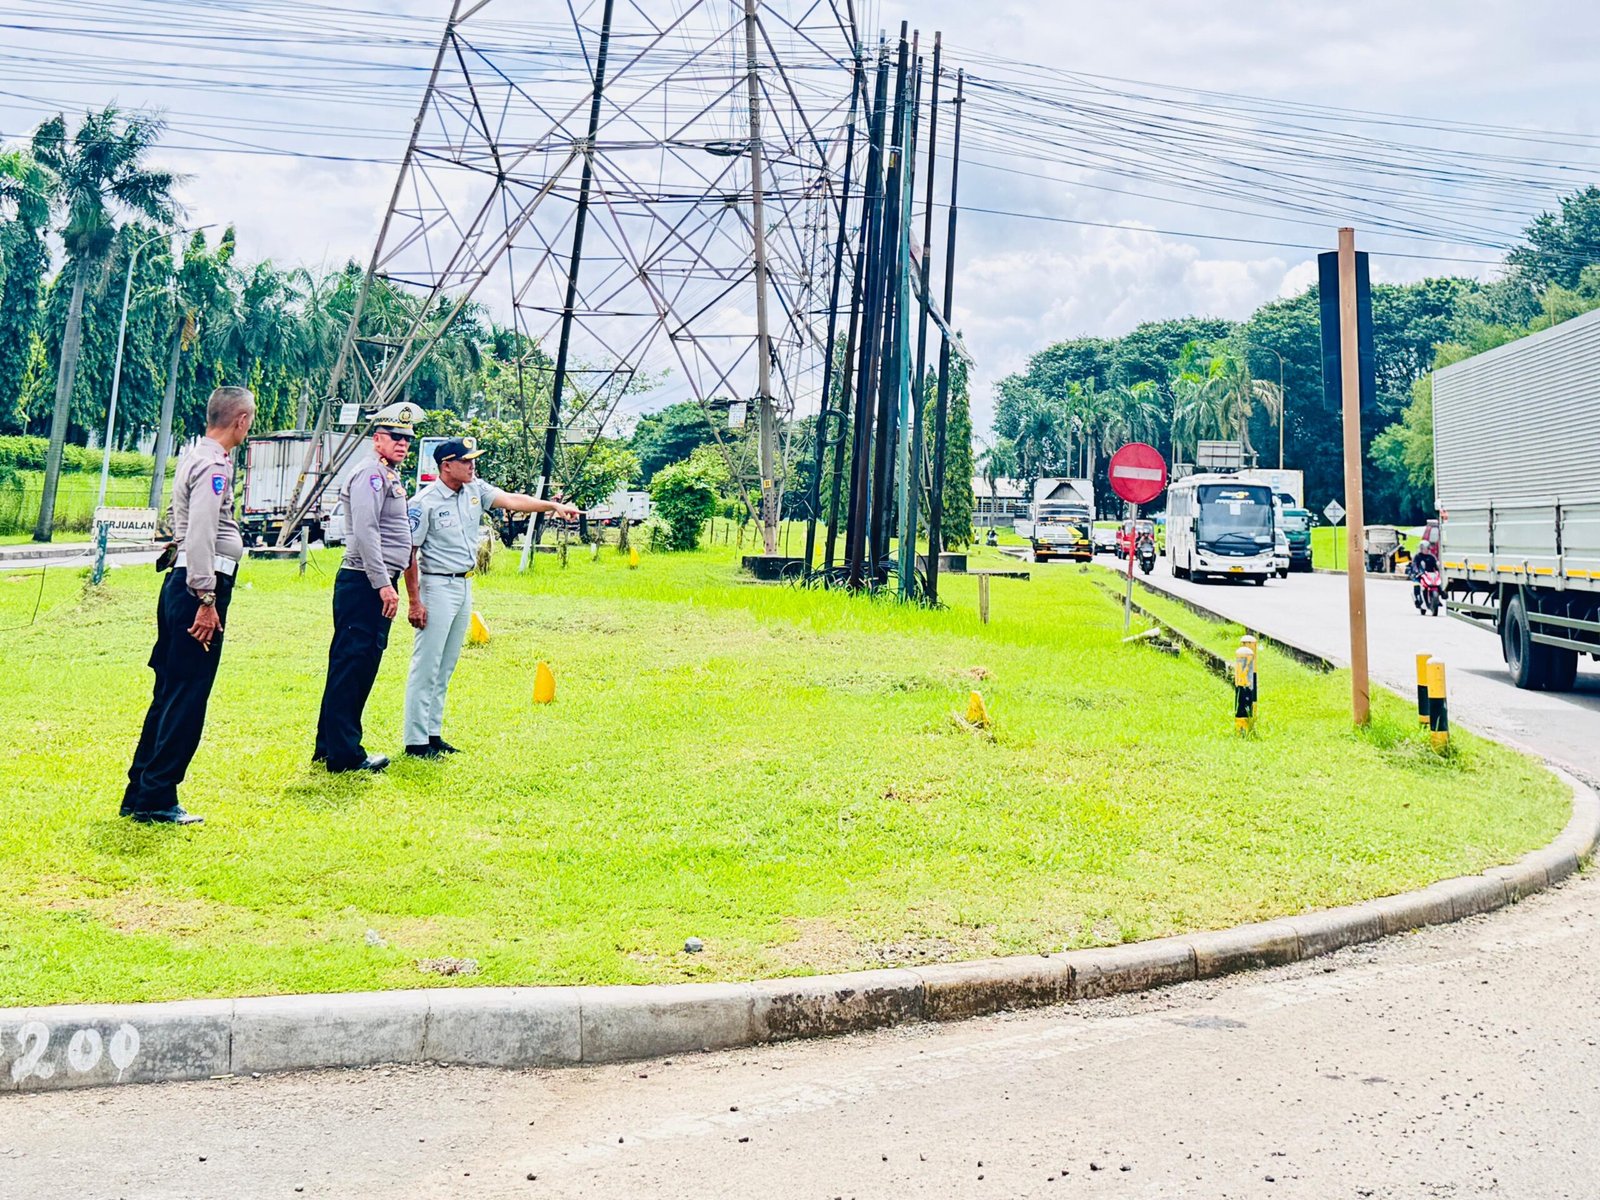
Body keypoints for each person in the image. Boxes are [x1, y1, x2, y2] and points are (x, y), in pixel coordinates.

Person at [121, 386, 256, 825]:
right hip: (198, 587)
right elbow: (199, 534)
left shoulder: (195, 455)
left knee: (169, 692)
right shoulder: (213, 466)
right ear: (240, 420)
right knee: (186, 695)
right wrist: (206, 598)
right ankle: (157, 796)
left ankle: (141, 789)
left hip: (183, 584)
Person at [402, 438, 580, 758]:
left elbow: (512, 500)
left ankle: (433, 733)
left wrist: (552, 505)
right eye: (466, 461)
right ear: (446, 466)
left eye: (473, 461)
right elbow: (409, 554)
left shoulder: (474, 489)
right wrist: (414, 601)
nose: (473, 466)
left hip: (465, 584)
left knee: (446, 665)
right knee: (427, 664)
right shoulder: (424, 502)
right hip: (436, 586)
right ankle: (415, 742)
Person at [313, 402, 426, 773]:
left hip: (372, 582)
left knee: (353, 665)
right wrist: (383, 585)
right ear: (377, 439)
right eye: (395, 437)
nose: (403, 443)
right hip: (365, 582)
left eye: (407, 439)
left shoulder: (387, 475)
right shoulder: (371, 475)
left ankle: (330, 745)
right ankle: (344, 754)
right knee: (354, 664)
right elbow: (365, 531)